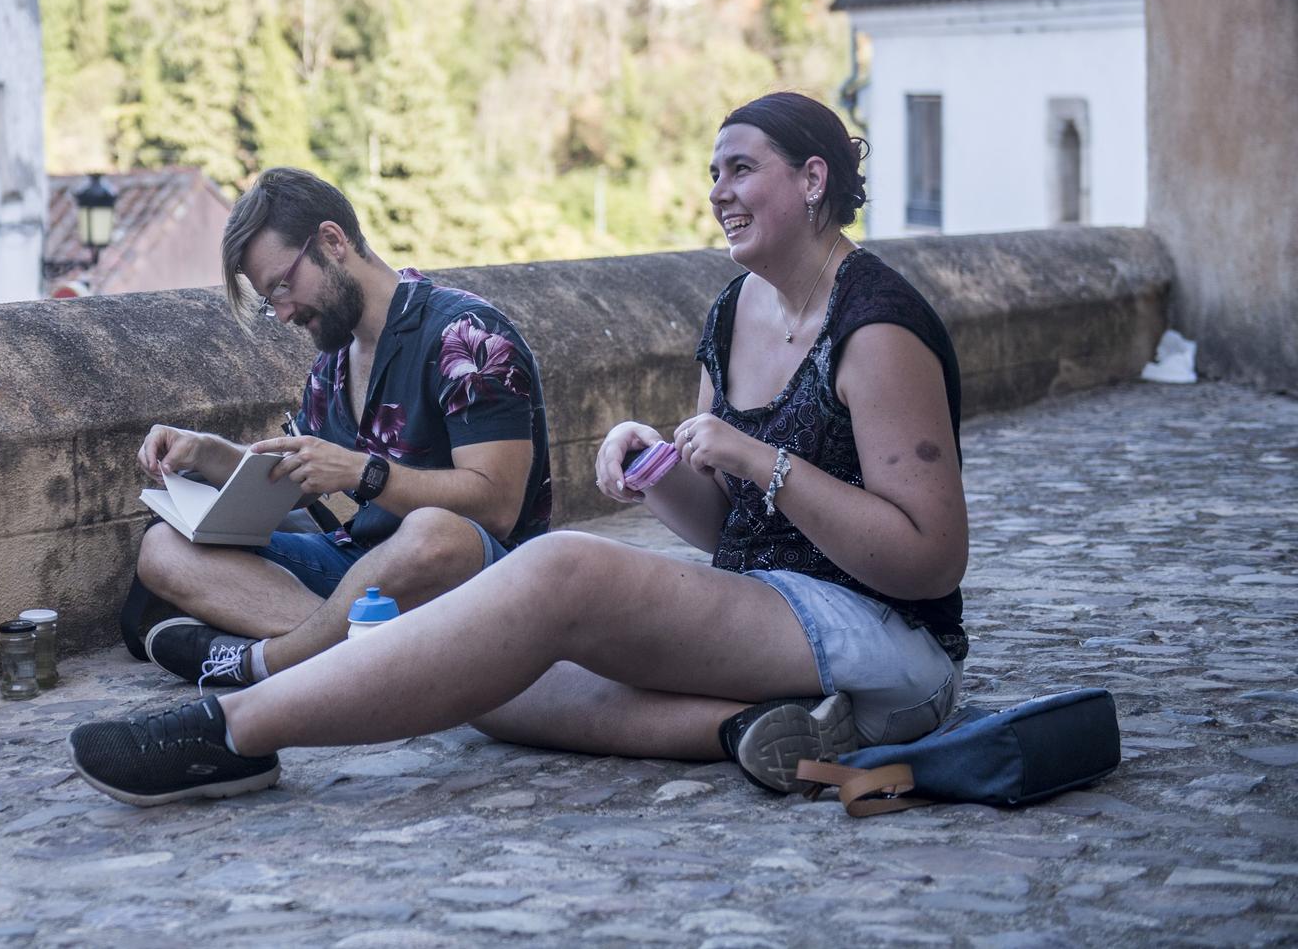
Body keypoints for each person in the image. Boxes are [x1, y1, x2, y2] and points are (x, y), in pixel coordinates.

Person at [72, 93, 970, 806]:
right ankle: (766, 727)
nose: (719, 190)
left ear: (814, 180)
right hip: (774, 613)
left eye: (742, 169)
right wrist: (659, 470)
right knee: (475, 680)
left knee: (558, 571)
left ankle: (235, 730)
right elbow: (727, 532)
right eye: (713, 172)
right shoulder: (735, 311)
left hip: (886, 641)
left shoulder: (876, 326)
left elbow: (929, 562)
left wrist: (759, 460)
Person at [121, 167, 555, 691]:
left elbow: (499, 507)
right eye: (269, 299)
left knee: (434, 532)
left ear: (332, 241)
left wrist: (364, 474)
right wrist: (209, 453)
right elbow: (302, 480)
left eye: (283, 285)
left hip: (479, 576)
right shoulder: (334, 363)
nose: (281, 313)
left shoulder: (467, 336)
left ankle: (271, 662)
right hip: (365, 574)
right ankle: (372, 654)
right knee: (163, 549)